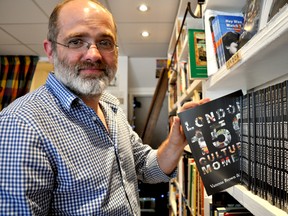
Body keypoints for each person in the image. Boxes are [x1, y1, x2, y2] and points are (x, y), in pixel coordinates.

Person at [0, 0, 209, 215]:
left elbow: (145, 166)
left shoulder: (110, 105)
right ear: (51, 50)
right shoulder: (21, 125)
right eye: (76, 41)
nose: (94, 55)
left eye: (105, 42)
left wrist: (175, 142)